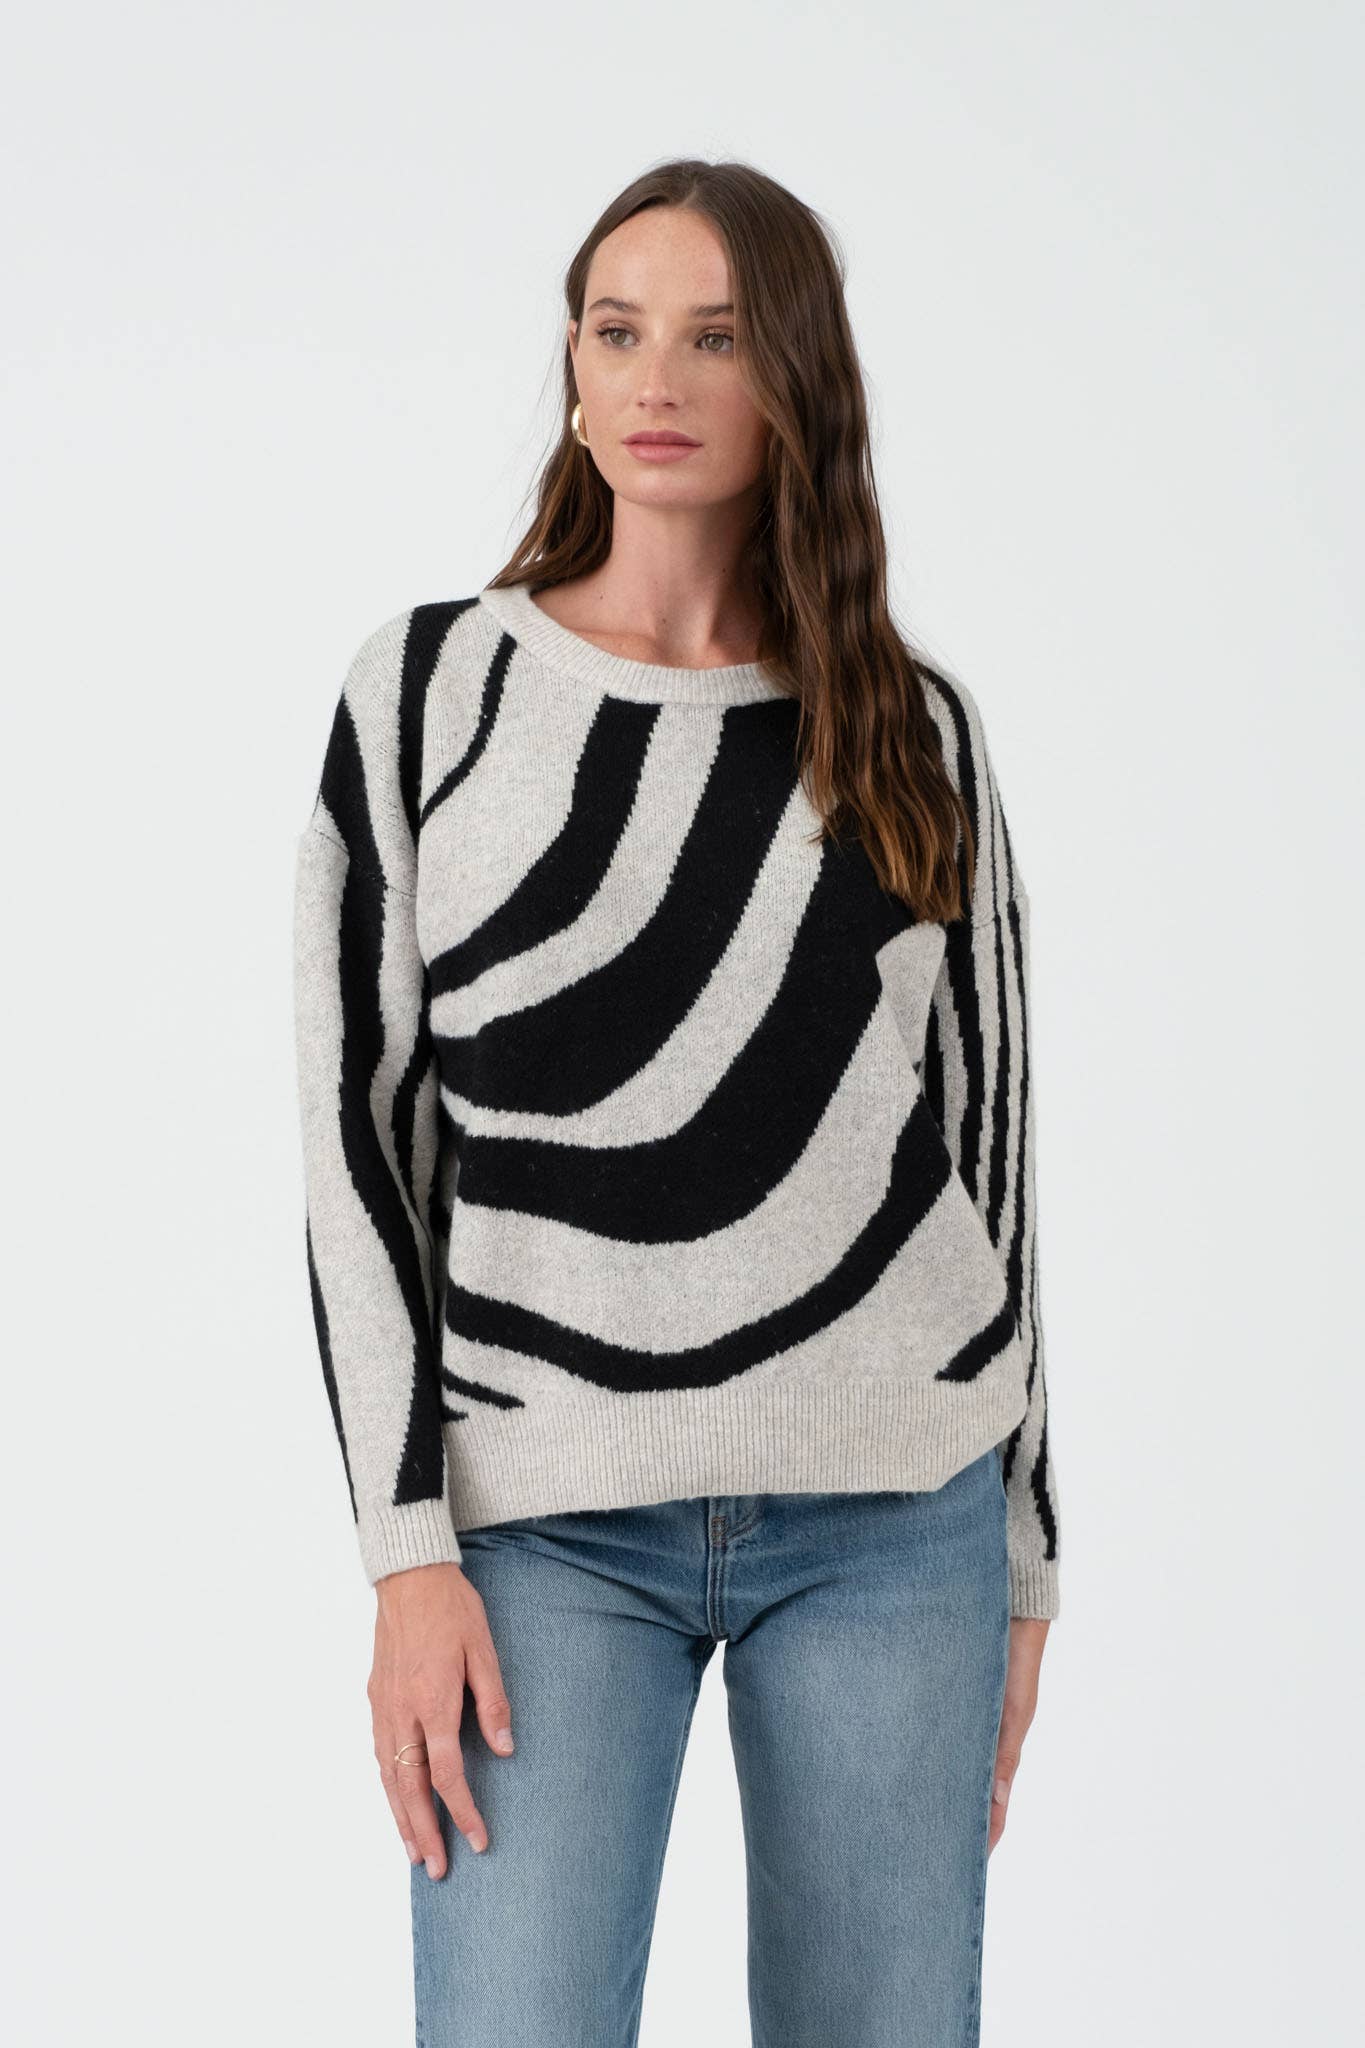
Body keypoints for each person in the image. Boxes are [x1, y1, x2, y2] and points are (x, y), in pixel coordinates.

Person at [292, 157, 1061, 2048]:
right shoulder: (429, 696)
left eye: (714, 337)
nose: (656, 377)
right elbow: (356, 1150)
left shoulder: (908, 727)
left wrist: (1026, 1550)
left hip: (894, 1513)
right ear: (571, 366)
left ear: (791, 375)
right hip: (540, 1526)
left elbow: (989, 1149)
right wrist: (404, 1555)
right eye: (616, 329)